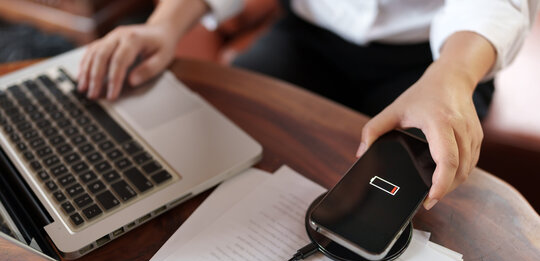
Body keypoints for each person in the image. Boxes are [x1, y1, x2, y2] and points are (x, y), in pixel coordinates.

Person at [77, 0, 539, 210]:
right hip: (307, 36)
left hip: (439, 58)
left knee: (399, 208)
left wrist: (453, 76)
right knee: (215, 154)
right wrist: (164, 25)